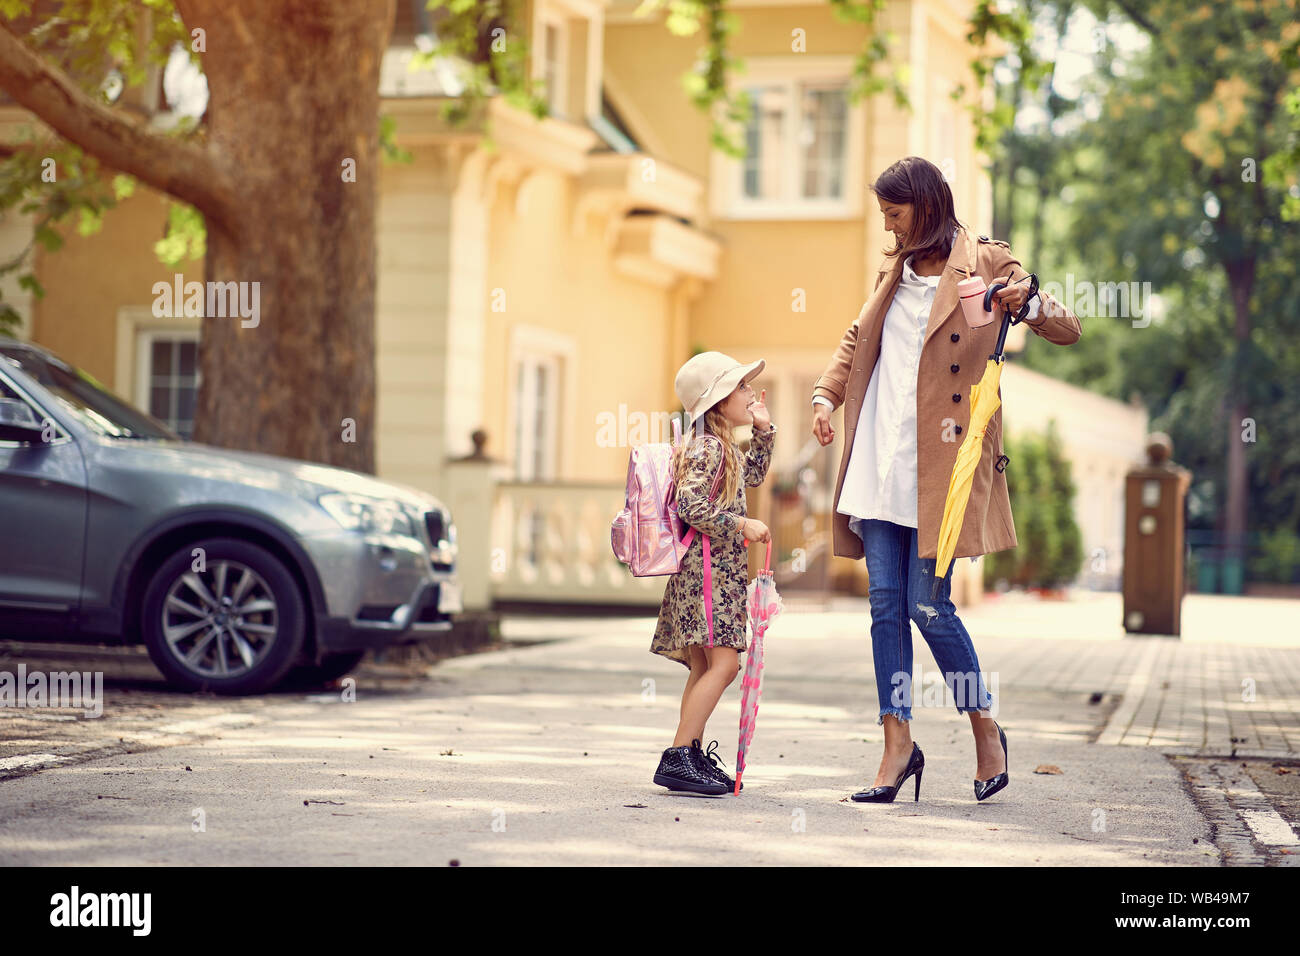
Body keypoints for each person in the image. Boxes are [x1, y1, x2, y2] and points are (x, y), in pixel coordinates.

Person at [810, 156, 1081, 803]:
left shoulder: (985, 261)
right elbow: (856, 341)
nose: (889, 226)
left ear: (925, 208)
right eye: (884, 215)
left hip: (945, 464)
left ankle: (985, 726)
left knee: (927, 606)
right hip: (881, 457)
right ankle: (896, 746)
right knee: (884, 608)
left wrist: (1030, 301)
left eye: (895, 214)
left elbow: (1067, 328)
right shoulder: (893, 271)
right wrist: (826, 397)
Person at [650, 351, 776, 796]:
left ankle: (691, 753)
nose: (749, 392)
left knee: (703, 665)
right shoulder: (708, 446)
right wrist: (743, 525)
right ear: (718, 402)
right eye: (740, 387)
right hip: (708, 574)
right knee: (725, 664)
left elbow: (751, 478)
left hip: (709, 573)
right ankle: (678, 754)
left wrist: (763, 432)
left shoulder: (717, 446)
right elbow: (690, 504)